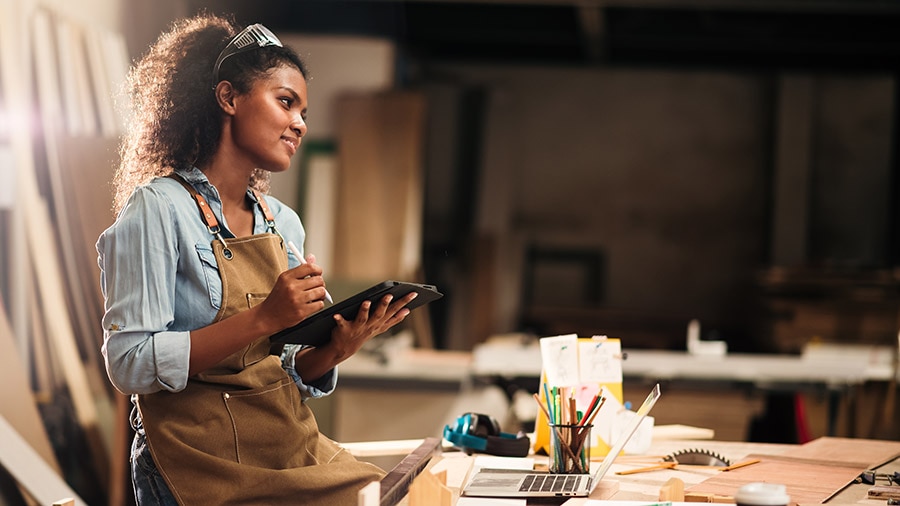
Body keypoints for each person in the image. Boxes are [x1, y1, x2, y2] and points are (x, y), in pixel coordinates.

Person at [97, 13, 417, 505]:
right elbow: (130, 365)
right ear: (228, 98)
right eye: (286, 102)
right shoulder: (159, 209)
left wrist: (336, 348)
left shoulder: (281, 223)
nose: (300, 124)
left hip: (284, 449)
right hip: (197, 462)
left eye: (304, 112)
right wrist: (264, 317)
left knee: (401, 494)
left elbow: (284, 371)